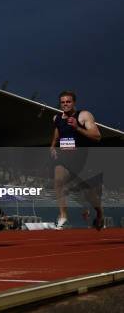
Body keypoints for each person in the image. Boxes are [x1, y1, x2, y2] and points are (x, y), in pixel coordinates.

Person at [50, 90, 103, 230]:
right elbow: (57, 132)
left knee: (89, 195)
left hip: (82, 159)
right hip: (65, 158)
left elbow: (97, 136)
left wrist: (77, 127)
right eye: (62, 102)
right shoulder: (56, 118)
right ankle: (63, 215)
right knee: (58, 179)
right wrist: (53, 146)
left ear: (74, 103)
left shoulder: (84, 115)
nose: (65, 104)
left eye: (68, 102)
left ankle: (99, 213)